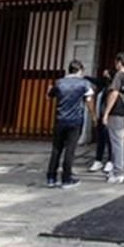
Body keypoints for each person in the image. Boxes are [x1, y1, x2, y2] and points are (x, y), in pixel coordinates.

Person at [46, 59, 96, 188]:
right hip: (75, 120)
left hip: (60, 119)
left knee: (56, 148)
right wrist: (94, 115)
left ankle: (51, 177)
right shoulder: (84, 83)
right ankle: (66, 178)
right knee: (70, 149)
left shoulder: (59, 83)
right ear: (80, 70)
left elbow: (49, 96)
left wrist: (49, 90)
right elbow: (89, 101)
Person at [101, 52, 124, 184]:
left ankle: (118, 173)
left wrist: (106, 113)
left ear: (119, 63)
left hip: (118, 113)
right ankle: (116, 170)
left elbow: (114, 93)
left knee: (117, 143)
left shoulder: (120, 75)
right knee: (119, 140)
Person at [87, 72, 113, 174]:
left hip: (108, 117)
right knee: (101, 140)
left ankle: (111, 160)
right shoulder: (102, 87)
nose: (105, 75)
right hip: (100, 117)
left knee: (110, 140)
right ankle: (98, 160)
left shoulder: (111, 88)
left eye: (107, 74)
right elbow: (93, 80)